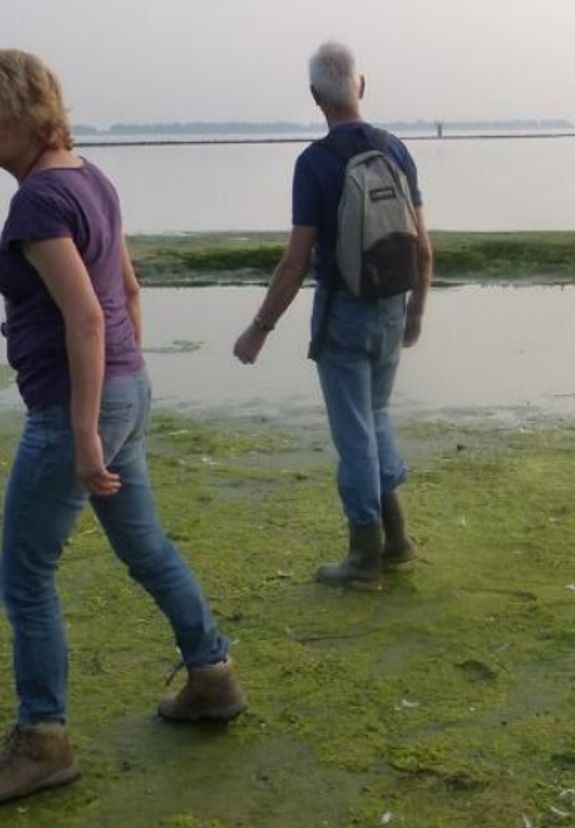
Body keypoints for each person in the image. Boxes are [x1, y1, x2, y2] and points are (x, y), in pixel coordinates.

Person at [0, 50, 245, 804]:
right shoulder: (92, 182)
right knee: (144, 546)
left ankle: (44, 740)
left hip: (81, 403)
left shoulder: (39, 202)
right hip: (126, 389)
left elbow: (83, 318)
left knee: (24, 574)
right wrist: (124, 393)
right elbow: (128, 294)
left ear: (21, 116)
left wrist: (83, 430)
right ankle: (212, 675)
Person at [233, 42, 433, 590]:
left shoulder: (314, 163)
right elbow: (424, 248)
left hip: (343, 314)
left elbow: (297, 261)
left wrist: (259, 328)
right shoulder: (396, 150)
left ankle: (363, 559)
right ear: (360, 86)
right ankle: (396, 540)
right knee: (377, 416)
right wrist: (416, 313)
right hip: (392, 306)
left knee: (354, 435)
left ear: (316, 97)